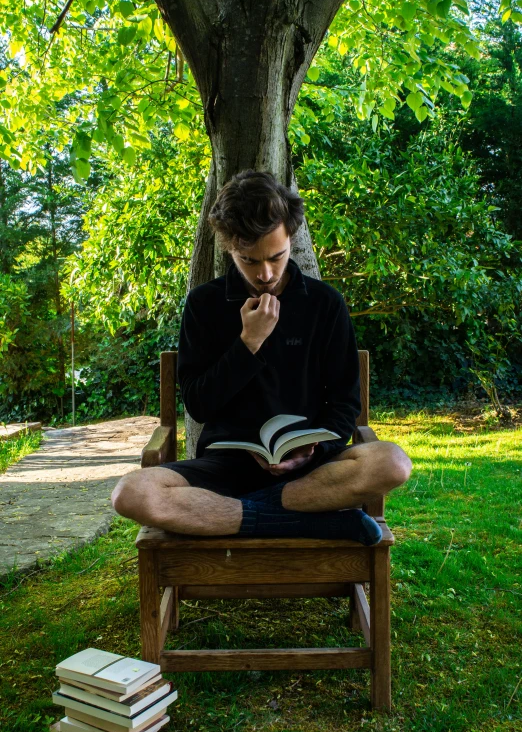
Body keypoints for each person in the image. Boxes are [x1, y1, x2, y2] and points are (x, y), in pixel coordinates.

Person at [111, 170, 412, 543]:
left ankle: (247, 512)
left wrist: (313, 449)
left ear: (291, 237)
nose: (266, 273)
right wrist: (248, 343)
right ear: (229, 248)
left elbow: (345, 403)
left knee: (392, 463)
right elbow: (199, 405)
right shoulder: (205, 304)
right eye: (249, 261)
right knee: (131, 494)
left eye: (276, 257)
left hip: (310, 470)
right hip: (225, 468)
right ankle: (306, 520)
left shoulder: (324, 304)